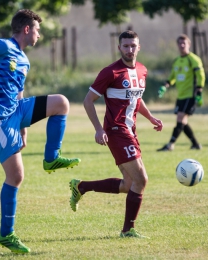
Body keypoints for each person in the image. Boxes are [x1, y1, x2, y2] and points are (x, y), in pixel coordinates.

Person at [0, 9, 80, 253]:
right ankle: (6, 235)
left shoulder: (24, 59)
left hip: (16, 111)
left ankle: (51, 158)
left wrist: (23, 131)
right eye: (38, 30)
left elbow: (19, 93)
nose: (39, 35)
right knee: (16, 177)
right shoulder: (1, 45)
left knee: (61, 103)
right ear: (27, 29)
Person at [69, 30, 163, 238]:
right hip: (116, 131)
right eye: (126, 46)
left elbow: (137, 100)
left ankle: (81, 187)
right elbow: (88, 101)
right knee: (142, 180)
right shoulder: (110, 72)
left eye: (133, 45)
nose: (130, 49)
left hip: (131, 131)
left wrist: (151, 118)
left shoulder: (142, 70)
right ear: (119, 47)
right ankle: (128, 231)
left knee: (128, 184)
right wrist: (98, 129)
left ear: (139, 47)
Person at [157, 34, 205, 151]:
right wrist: (165, 85)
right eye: (180, 43)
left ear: (189, 45)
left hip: (190, 94)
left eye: (184, 43)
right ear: (177, 45)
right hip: (181, 96)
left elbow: (200, 75)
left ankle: (170, 145)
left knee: (180, 119)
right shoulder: (177, 61)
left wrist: (199, 90)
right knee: (182, 122)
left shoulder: (193, 59)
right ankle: (195, 144)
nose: (182, 45)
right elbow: (173, 76)